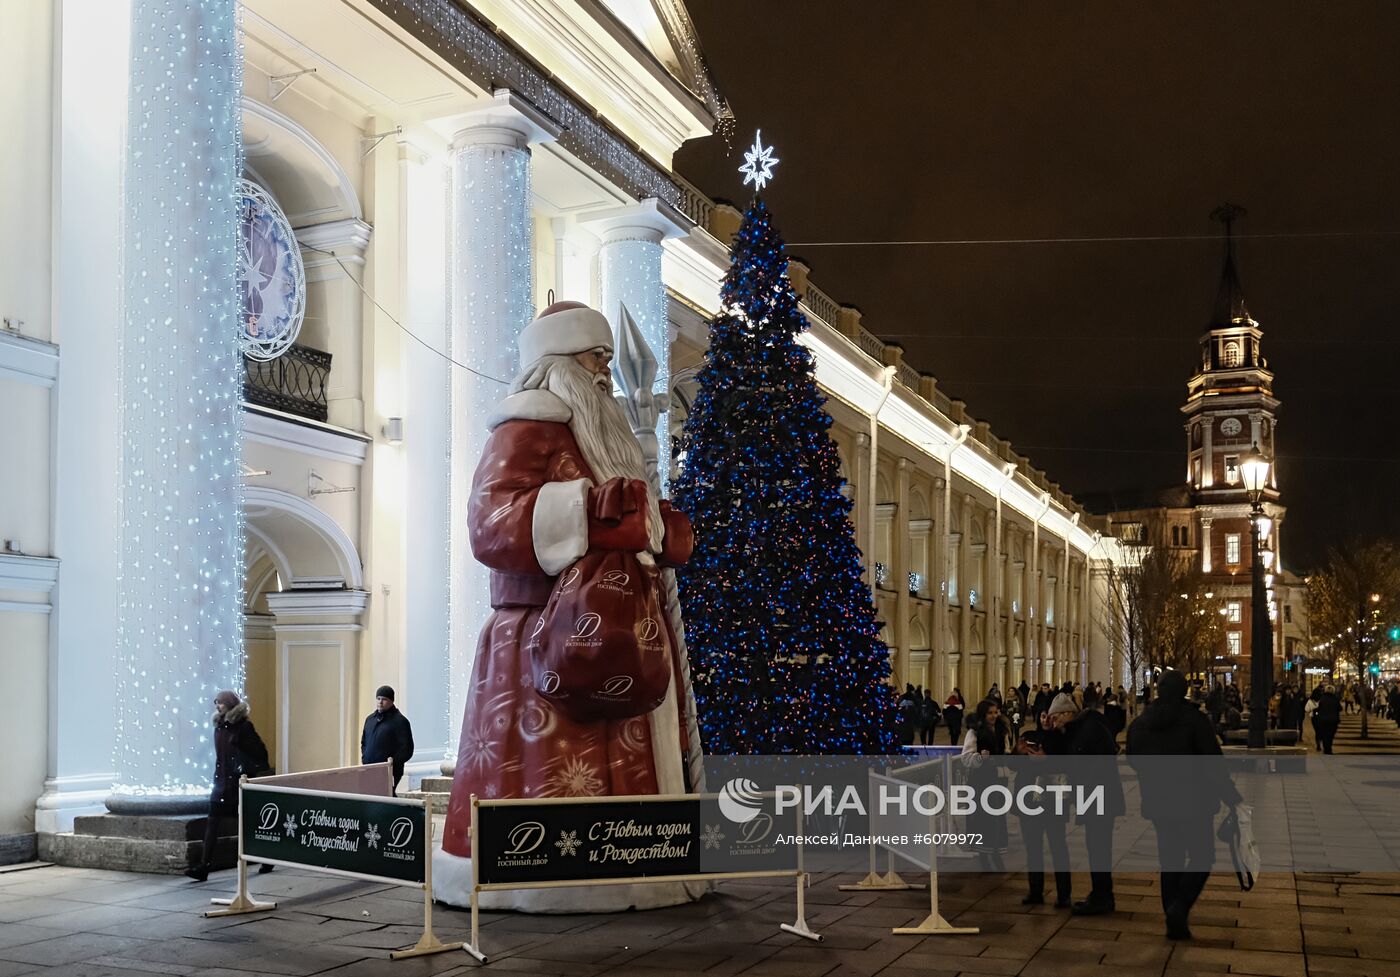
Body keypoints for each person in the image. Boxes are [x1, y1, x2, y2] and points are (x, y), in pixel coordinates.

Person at [436, 301, 700, 911]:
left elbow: (637, 524)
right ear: (555, 363)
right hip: (540, 636)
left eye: (605, 356)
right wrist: (589, 510)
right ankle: (544, 876)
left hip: (625, 625)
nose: (602, 369)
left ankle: (638, 865)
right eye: (591, 356)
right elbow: (490, 524)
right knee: (553, 760)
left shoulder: (609, 433)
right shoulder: (525, 426)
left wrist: (658, 528)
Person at [1127, 670, 1242, 940]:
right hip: (1194, 803)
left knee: (1171, 859)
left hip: (1158, 803)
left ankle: (1172, 915)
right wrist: (1231, 796)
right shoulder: (1194, 720)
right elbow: (1213, 764)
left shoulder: (1141, 723)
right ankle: (1179, 908)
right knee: (1202, 857)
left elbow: (1133, 758)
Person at [1041, 688, 1123, 916]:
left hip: (1099, 797)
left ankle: (1102, 898)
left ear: (1067, 713)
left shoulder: (1089, 729)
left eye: (1056, 717)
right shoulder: (1077, 728)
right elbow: (1060, 753)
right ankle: (1101, 894)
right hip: (1094, 797)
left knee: (1098, 848)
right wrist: (1049, 731)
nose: (1054, 721)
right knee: (1096, 848)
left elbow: (1077, 763)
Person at [186, 691, 272, 882]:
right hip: (221, 784)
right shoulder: (219, 727)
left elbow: (260, 753)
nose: (217, 706)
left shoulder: (243, 727)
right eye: (216, 702)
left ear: (230, 704)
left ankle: (266, 858)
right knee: (212, 823)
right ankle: (204, 867)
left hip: (237, 784)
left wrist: (244, 765)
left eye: (221, 703)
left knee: (248, 825)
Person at [1013, 728, 1072, 908]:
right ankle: (1035, 891)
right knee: (1033, 848)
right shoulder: (1030, 736)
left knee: (1058, 847)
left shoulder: (1061, 739)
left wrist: (1046, 760)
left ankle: (1064, 894)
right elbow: (1012, 765)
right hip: (1028, 802)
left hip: (1052, 801)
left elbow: (1069, 765)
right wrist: (1018, 751)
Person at [960, 699, 1009, 871]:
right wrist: (981, 758)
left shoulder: (1002, 730)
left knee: (998, 818)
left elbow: (1006, 751)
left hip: (999, 780)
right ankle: (984, 856)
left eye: (996, 712)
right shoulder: (975, 732)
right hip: (981, 781)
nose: (994, 716)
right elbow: (966, 757)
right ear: (983, 714)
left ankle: (995, 852)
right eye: (990, 713)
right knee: (982, 818)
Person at [361, 685, 415, 792]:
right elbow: (364, 742)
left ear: (391, 701)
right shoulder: (370, 719)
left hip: (390, 771)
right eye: (378, 698)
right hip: (370, 769)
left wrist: (392, 763)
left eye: (384, 699)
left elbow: (407, 749)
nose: (380, 702)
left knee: (386, 796)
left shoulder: (400, 721)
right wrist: (365, 757)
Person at [1313, 684, 1342, 754]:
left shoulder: (1322, 699)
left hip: (1323, 720)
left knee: (1324, 734)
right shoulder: (1335, 699)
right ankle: (1329, 748)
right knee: (1331, 735)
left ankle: (1326, 748)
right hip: (1333, 721)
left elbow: (1318, 709)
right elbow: (1340, 708)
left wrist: (1317, 714)